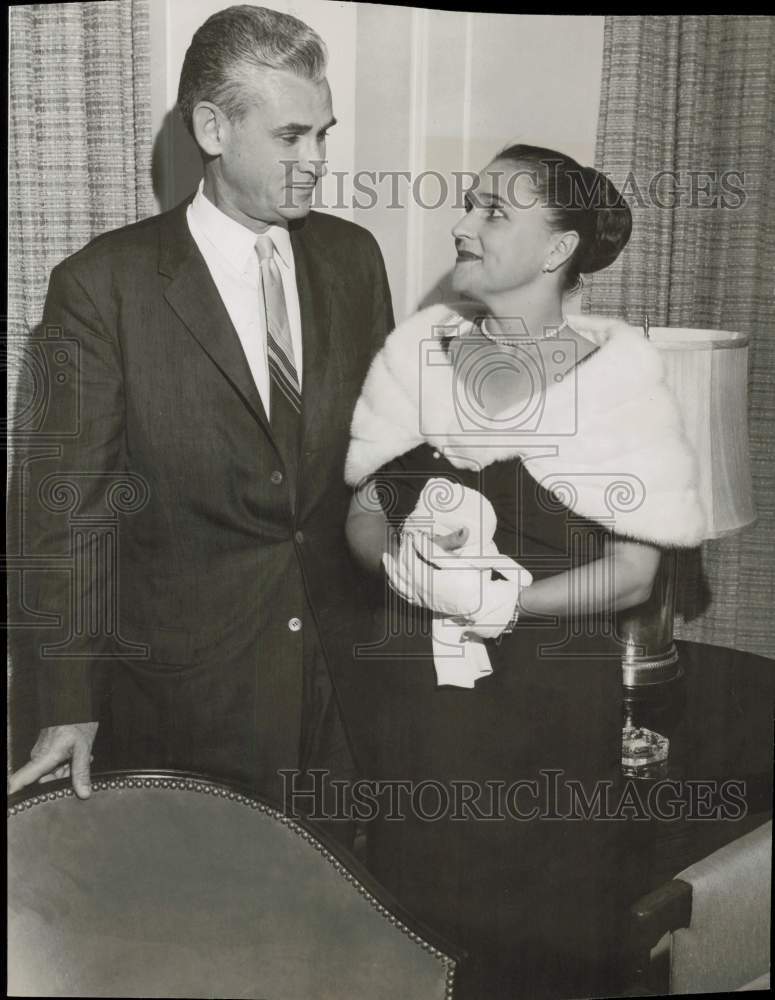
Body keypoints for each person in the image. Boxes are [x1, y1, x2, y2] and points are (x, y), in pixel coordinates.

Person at [9, 5, 393, 833]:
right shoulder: (99, 287)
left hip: (347, 688)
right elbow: (60, 520)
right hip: (190, 703)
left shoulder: (354, 258)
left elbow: (381, 447)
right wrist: (67, 704)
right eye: (291, 137)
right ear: (213, 129)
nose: (316, 161)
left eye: (323, 133)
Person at [344, 145, 706, 997]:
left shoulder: (618, 382)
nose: (461, 225)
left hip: (542, 733)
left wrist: (500, 601)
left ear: (556, 249)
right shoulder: (423, 358)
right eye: (466, 204)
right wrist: (398, 565)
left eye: (492, 211)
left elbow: (632, 575)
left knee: (531, 958)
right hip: (421, 730)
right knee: (414, 950)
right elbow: (362, 506)